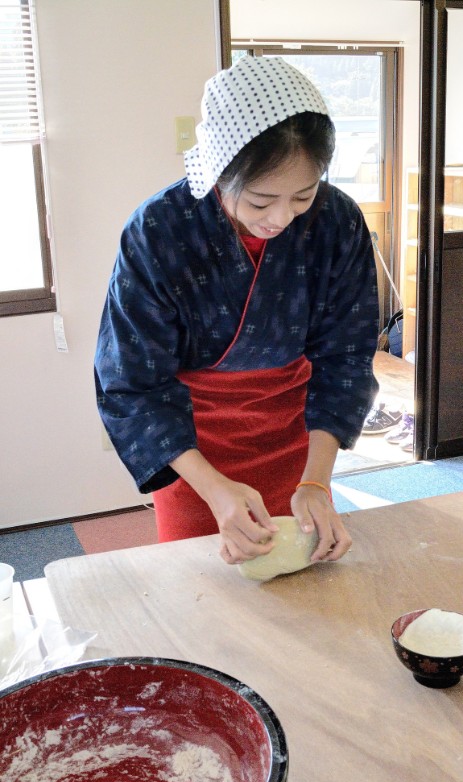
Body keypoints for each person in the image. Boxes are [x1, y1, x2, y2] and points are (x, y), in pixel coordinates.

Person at [94, 56, 379, 567]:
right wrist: (214, 488)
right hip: (193, 447)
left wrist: (316, 480)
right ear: (219, 173)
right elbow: (133, 383)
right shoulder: (161, 230)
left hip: (299, 437)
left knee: (304, 585)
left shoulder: (338, 221)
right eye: (260, 200)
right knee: (201, 588)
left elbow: (346, 358)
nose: (281, 219)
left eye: (303, 196)